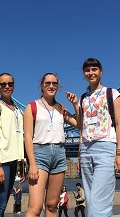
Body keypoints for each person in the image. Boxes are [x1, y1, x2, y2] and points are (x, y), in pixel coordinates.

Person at [24, 73, 80, 217]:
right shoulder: (32, 107)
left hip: (59, 155)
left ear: (58, 86)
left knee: (52, 205)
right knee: (35, 208)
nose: (51, 86)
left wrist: (75, 105)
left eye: (54, 83)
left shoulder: (60, 108)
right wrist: (32, 164)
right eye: (47, 83)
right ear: (41, 85)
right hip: (40, 154)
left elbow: (79, 125)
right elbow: (28, 137)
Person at [78, 58, 120, 216]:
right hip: (85, 150)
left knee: (100, 203)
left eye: (94, 69)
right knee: (92, 201)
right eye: (87, 70)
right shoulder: (83, 98)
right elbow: (82, 127)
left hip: (106, 148)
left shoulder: (112, 93)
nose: (90, 73)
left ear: (101, 72)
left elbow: (119, 124)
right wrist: (79, 155)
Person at [0, 73, 25, 217]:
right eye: (3, 84)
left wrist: (21, 163)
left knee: (3, 206)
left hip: (13, 161)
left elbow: (18, 138)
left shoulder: (18, 110)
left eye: (10, 84)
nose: (7, 86)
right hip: (1, 161)